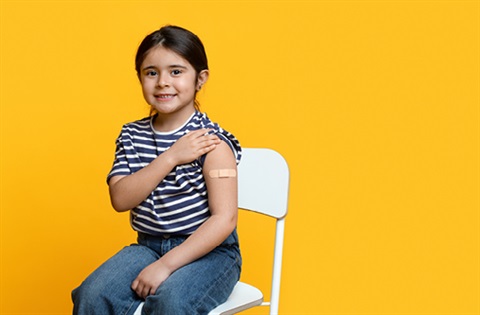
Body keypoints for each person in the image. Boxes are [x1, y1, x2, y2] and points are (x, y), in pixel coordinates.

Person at [72, 25, 242, 315]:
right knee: (92, 295)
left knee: (171, 303)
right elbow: (121, 199)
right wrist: (171, 157)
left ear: (200, 79)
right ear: (139, 77)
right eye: (151, 72)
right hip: (148, 246)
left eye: (176, 72)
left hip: (209, 253)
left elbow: (224, 219)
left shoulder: (211, 142)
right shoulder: (131, 135)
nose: (163, 82)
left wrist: (166, 265)